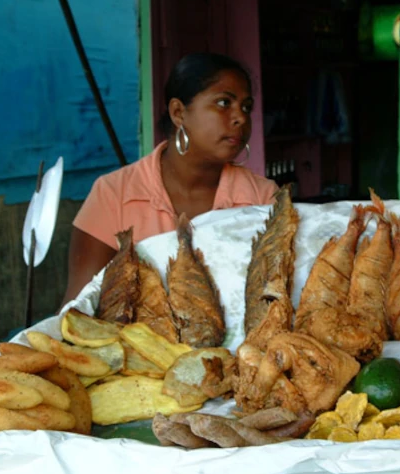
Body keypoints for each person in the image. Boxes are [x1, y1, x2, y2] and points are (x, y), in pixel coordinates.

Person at [62, 53, 279, 306]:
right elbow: (78, 308)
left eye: (246, 107)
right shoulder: (114, 194)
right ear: (178, 112)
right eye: (223, 103)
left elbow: (274, 298)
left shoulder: (262, 197)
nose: (240, 117)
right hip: (133, 344)